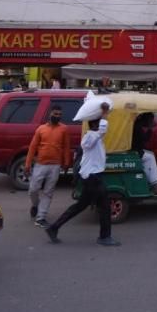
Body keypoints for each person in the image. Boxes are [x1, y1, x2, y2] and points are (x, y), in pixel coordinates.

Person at [46, 102, 119, 247]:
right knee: (104, 206)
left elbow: (102, 133)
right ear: (95, 125)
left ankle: (54, 228)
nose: (101, 126)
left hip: (91, 177)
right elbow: (103, 130)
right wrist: (104, 113)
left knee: (80, 206)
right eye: (99, 123)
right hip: (93, 178)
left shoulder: (93, 137)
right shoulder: (90, 137)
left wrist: (103, 116)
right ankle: (104, 237)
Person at [26, 106, 73, 227]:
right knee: (33, 189)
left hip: (55, 165)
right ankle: (35, 205)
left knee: (48, 192)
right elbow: (32, 147)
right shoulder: (41, 129)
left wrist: (67, 162)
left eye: (59, 114)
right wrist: (27, 164)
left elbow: (67, 147)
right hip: (40, 164)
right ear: (50, 114)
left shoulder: (64, 129)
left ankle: (41, 217)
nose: (57, 116)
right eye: (55, 114)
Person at [131, 112, 157, 196]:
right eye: (151, 120)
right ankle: (155, 185)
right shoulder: (138, 127)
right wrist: (150, 129)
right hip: (134, 152)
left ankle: (151, 180)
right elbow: (144, 140)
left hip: (136, 150)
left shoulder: (138, 124)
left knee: (150, 154)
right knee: (150, 157)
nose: (152, 122)